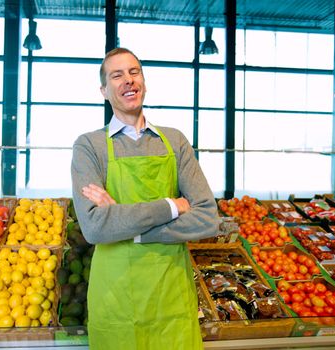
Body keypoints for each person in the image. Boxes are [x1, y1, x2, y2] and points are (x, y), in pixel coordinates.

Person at [70, 47, 220, 350]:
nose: (128, 80)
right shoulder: (89, 146)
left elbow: (207, 218)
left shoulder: (174, 140)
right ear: (104, 90)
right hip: (116, 296)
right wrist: (171, 206)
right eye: (117, 75)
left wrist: (126, 227)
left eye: (134, 72)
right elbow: (96, 228)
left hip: (172, 294)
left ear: (144, 82)